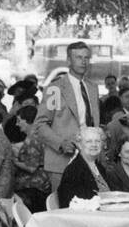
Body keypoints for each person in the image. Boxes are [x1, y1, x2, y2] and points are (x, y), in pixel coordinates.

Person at [34, 41, 104, 188]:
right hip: (62, 160)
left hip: (90, 158)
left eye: (86, 58)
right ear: (68, 60)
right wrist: (60, 144)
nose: (83, 61)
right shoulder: (56, 88)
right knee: (63, 207)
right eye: (78, 57)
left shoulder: (93, 88)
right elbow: (40, 125)